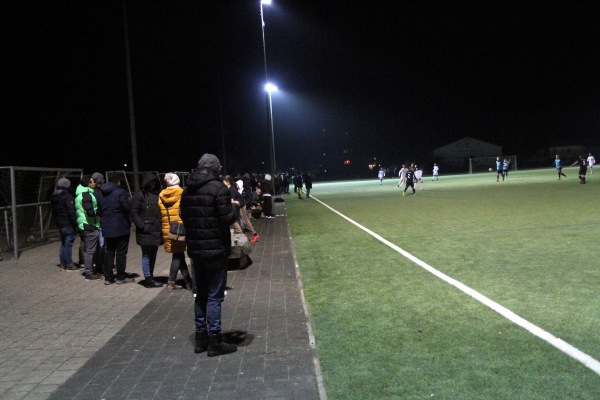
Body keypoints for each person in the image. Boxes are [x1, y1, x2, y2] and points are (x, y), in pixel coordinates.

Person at [180, 154, 240, 357]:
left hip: (196, 248)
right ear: (216, 169)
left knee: (200, 294)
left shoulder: (187, 189)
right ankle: (214, 340)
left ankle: (201, 338)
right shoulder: (218, 188)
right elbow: (228, 218)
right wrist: (234, 206)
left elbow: (183, 215)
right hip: (215, 248)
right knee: (215, 295)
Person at [159, 172, 193, 291]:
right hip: (181, 228)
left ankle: (185, 280)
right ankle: (173, 281)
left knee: (178, 254)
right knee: (178, 255)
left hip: (168, 228)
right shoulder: (182, 193)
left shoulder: (161, 195)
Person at [131, 172, 164, 288]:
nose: (153, 184)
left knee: (153, 254)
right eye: (151, 182)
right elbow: (134, 213)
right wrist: (142, 226)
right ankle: (148, 278)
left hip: (155, 230)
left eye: (154, 182)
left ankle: (150, 276)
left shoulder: (157, 194)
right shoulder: (139, 195)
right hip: (145, 230)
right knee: (146, 255)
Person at [100, 172, 134, 285]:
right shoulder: (120, 192)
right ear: (118, 181)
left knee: (109, 252)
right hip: (120, 226)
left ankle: (108, 277)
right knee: (121, 252)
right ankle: (120, 277)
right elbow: (127, 207)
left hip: (106, 226)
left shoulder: (101, 192)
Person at [74, 176, 102, 280]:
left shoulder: (80, 194)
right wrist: (100, 211)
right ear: (89, 184)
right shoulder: (86, 195)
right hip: (89, 226)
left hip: (85, 225)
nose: (94, 183)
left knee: (91, 249)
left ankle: (92, 270)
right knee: (90, 251)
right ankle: (89, 273)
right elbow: (90, 213)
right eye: (93, 182)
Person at [51, 177, 80, 271]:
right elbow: (71, 212)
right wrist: (76, 224)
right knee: (68, 243)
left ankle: (63, 263)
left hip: (60, 223)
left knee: (64, 243)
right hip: (67, 223)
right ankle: (69, 263)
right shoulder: (67, 196)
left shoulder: (54, 196)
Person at [235, 179, 260, 243]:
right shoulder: (236, 191)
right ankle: (242, 234)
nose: (236, 186)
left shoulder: (245, 191)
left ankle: (254, 234)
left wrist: (247, 203)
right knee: (240, 221)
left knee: (245, 220)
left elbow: (250, 197)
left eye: (237, 185)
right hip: (238, 207)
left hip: (243, 207)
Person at [91, 172, 105, 274]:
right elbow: (101, 206)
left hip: (90, 221)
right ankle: (100, 265)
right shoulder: (98, 192)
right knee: (101, 244)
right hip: (98, 221)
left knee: (93, 245)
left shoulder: (89, 191)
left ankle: (94, 263)